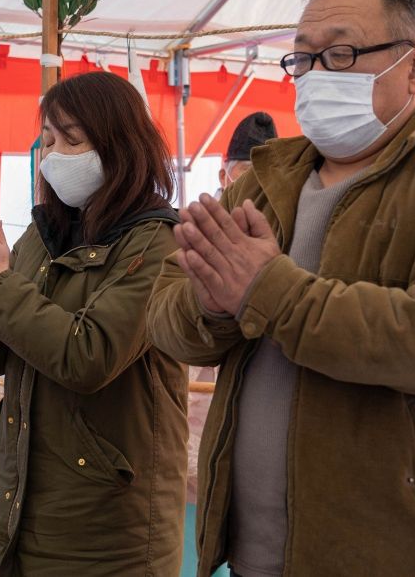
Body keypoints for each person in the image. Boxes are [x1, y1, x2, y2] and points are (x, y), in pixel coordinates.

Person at [146, 0, 415, 576]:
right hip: (248, 548)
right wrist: (213, 305)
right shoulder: (265, 180)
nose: (315, 75)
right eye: (302, 58)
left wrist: (266, 289)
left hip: (394, 552)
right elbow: (165, 320)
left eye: (343, 53)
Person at [0, 71, 187, 576]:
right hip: (20, 503)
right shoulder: (44, 231)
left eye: (72, 138)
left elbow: (88, 357)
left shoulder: (159, 244)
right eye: (48, 138)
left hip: (106, 529)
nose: (53, 153)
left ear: (122, 148)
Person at [185, 112, 276, 577]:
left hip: (251, 442)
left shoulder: (280, 243)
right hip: (189, 435)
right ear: (223, 174)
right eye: (241, 180)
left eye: (260, 186)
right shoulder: (193, 233)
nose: (247, 197)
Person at [216, 112, 277, 193]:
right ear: (223, 177)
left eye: (266, 174)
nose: (257, 182)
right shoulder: (203, 205)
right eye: (248, 171)